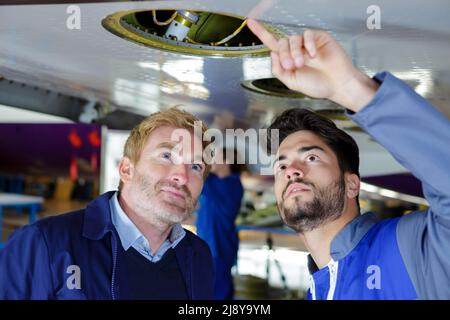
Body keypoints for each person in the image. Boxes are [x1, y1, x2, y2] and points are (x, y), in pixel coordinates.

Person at [247, 19, 450, 299]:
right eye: (281, 164)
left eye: (312, 157)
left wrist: (350, 87)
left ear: (352, 185)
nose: (291, 170)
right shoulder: (315, 294)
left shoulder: (411, 249)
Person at [0, 108, 214, 300]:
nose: (182, 176)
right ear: (126, 170)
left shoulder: (198, 255)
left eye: (196, 166)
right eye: (166, 155)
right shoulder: (44, 244)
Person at [195, 148, 245, 300]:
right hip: (210, 244)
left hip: (219, 245)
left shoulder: (231, 184)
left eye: (215, 158)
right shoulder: (215, 182)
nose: (212, 162)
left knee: (217, 291)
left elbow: (199, 172)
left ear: (227, 162)